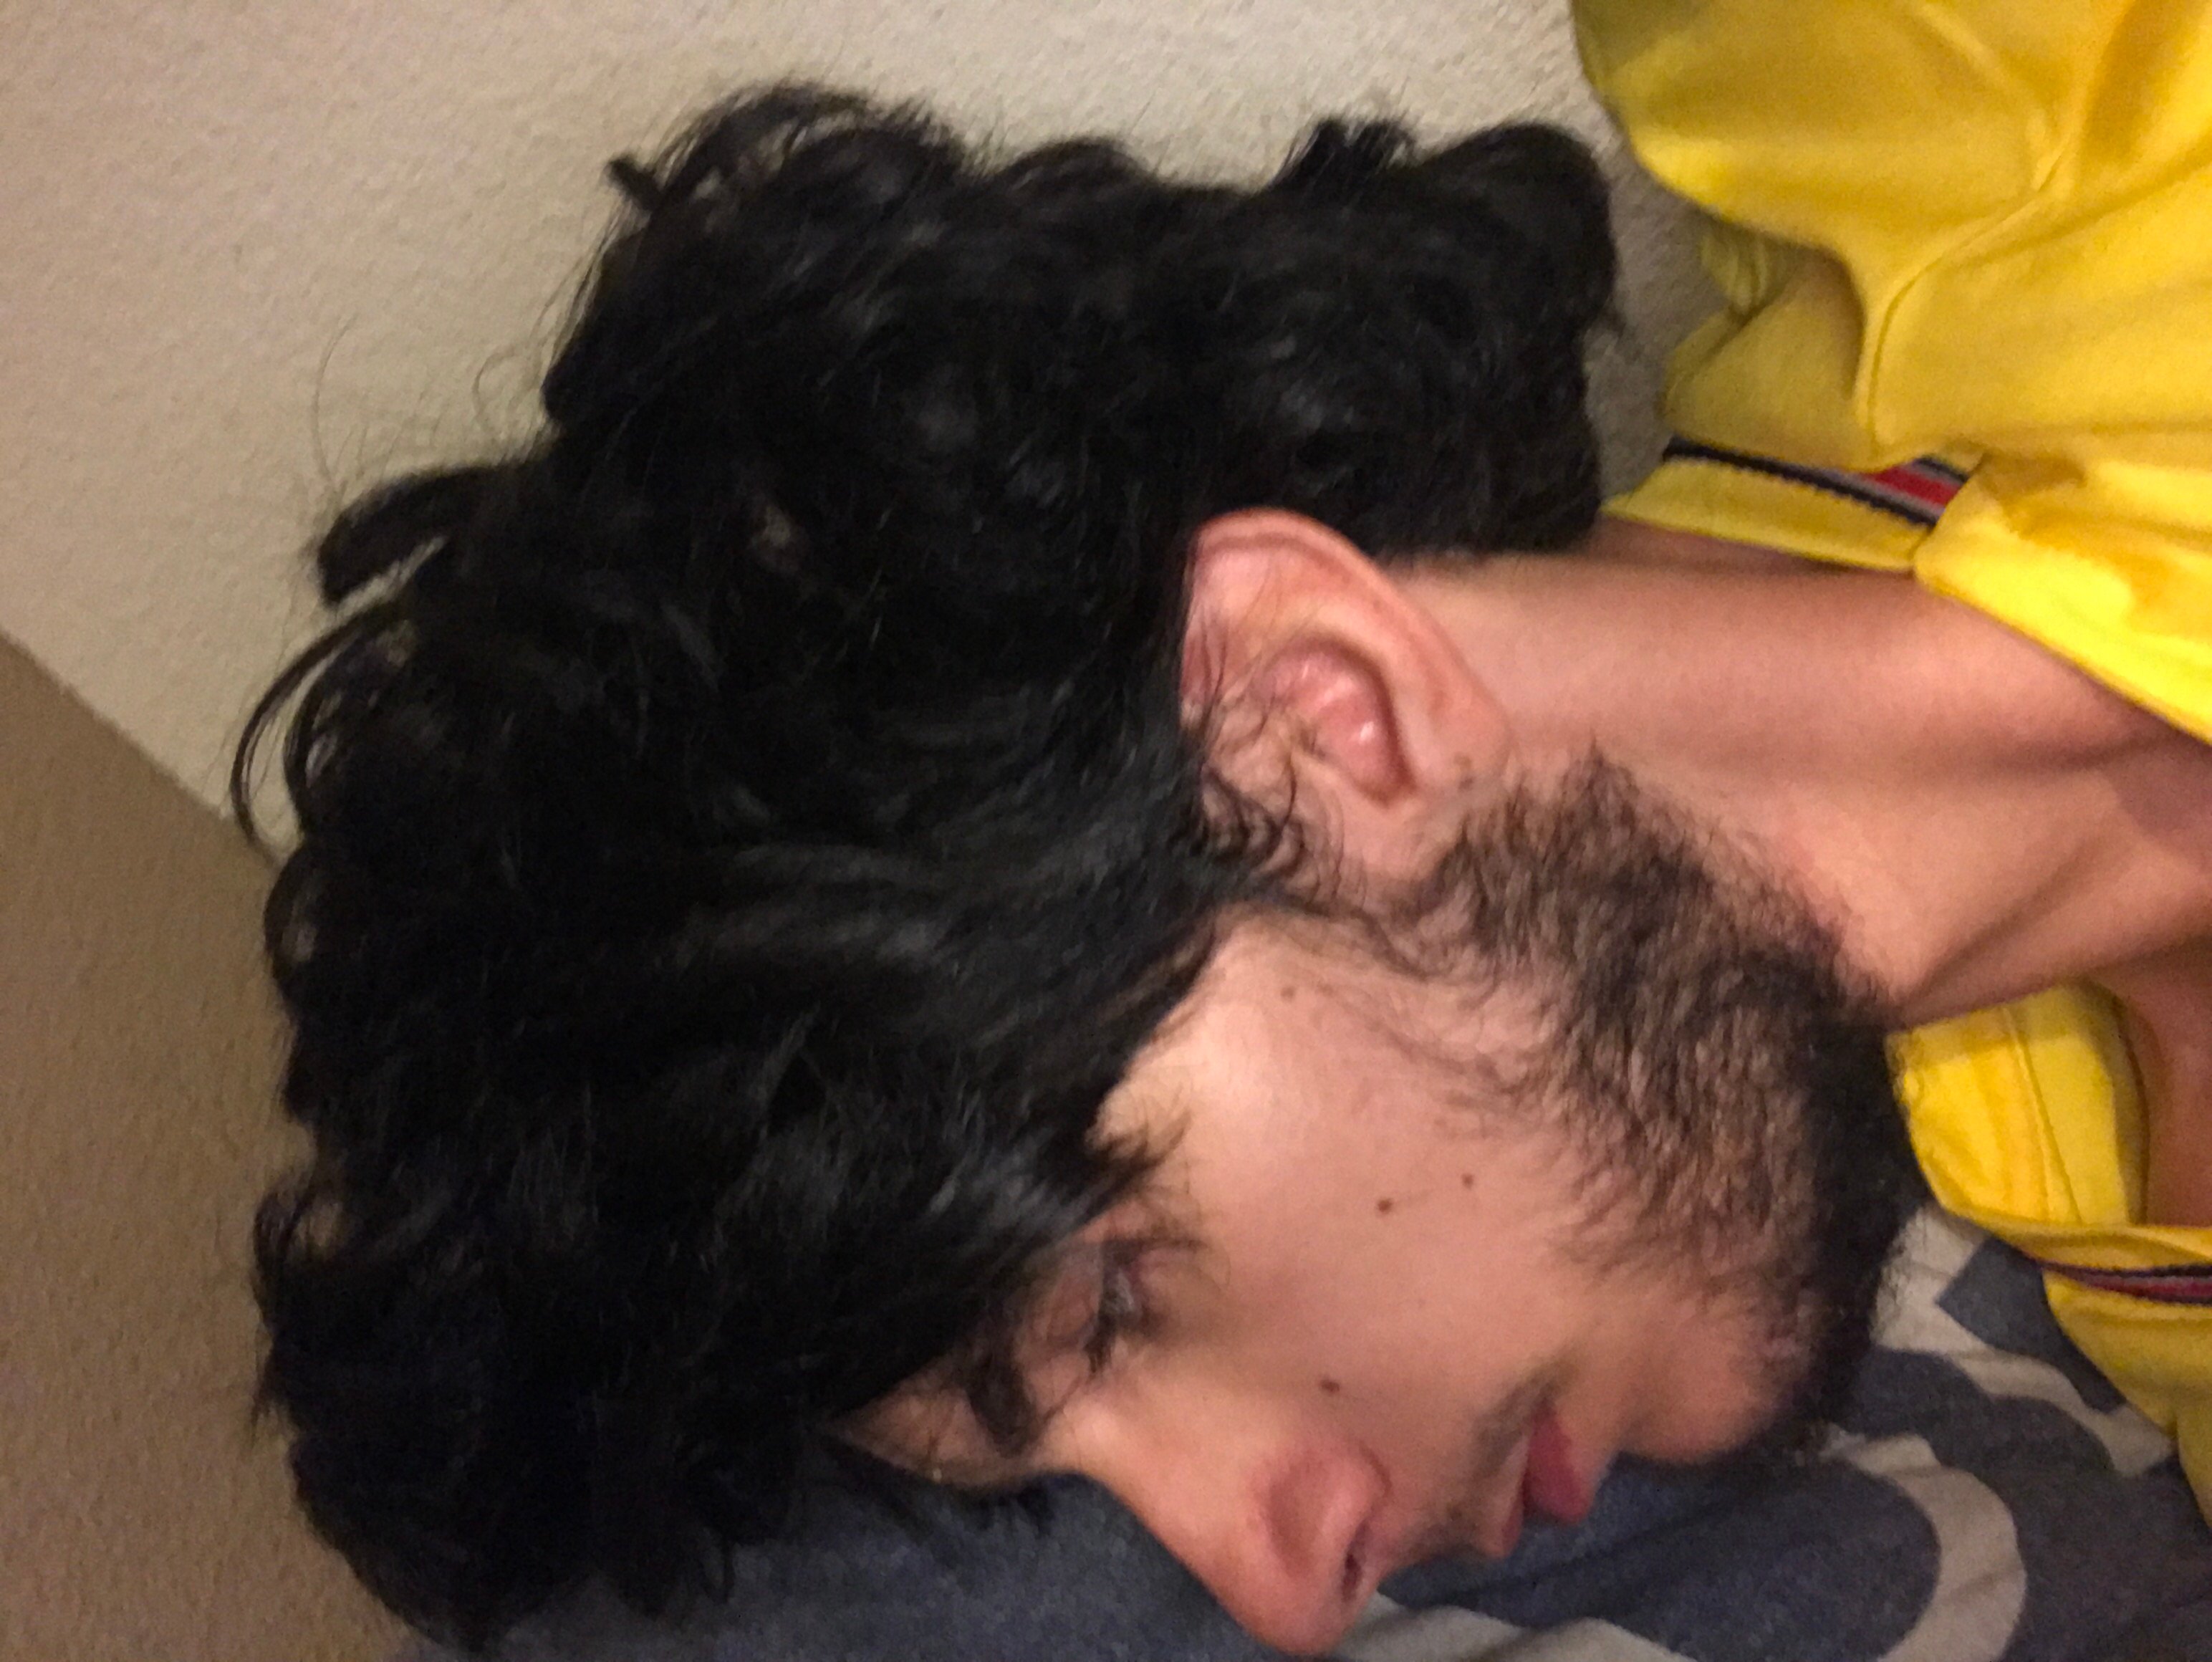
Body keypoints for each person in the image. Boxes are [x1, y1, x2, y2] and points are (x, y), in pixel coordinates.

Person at [234, 1, 2212, 1656]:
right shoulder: (2109, 1235)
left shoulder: (1943, 80)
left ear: (1306, 713)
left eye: (1103, 1305)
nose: (1288, 1591)